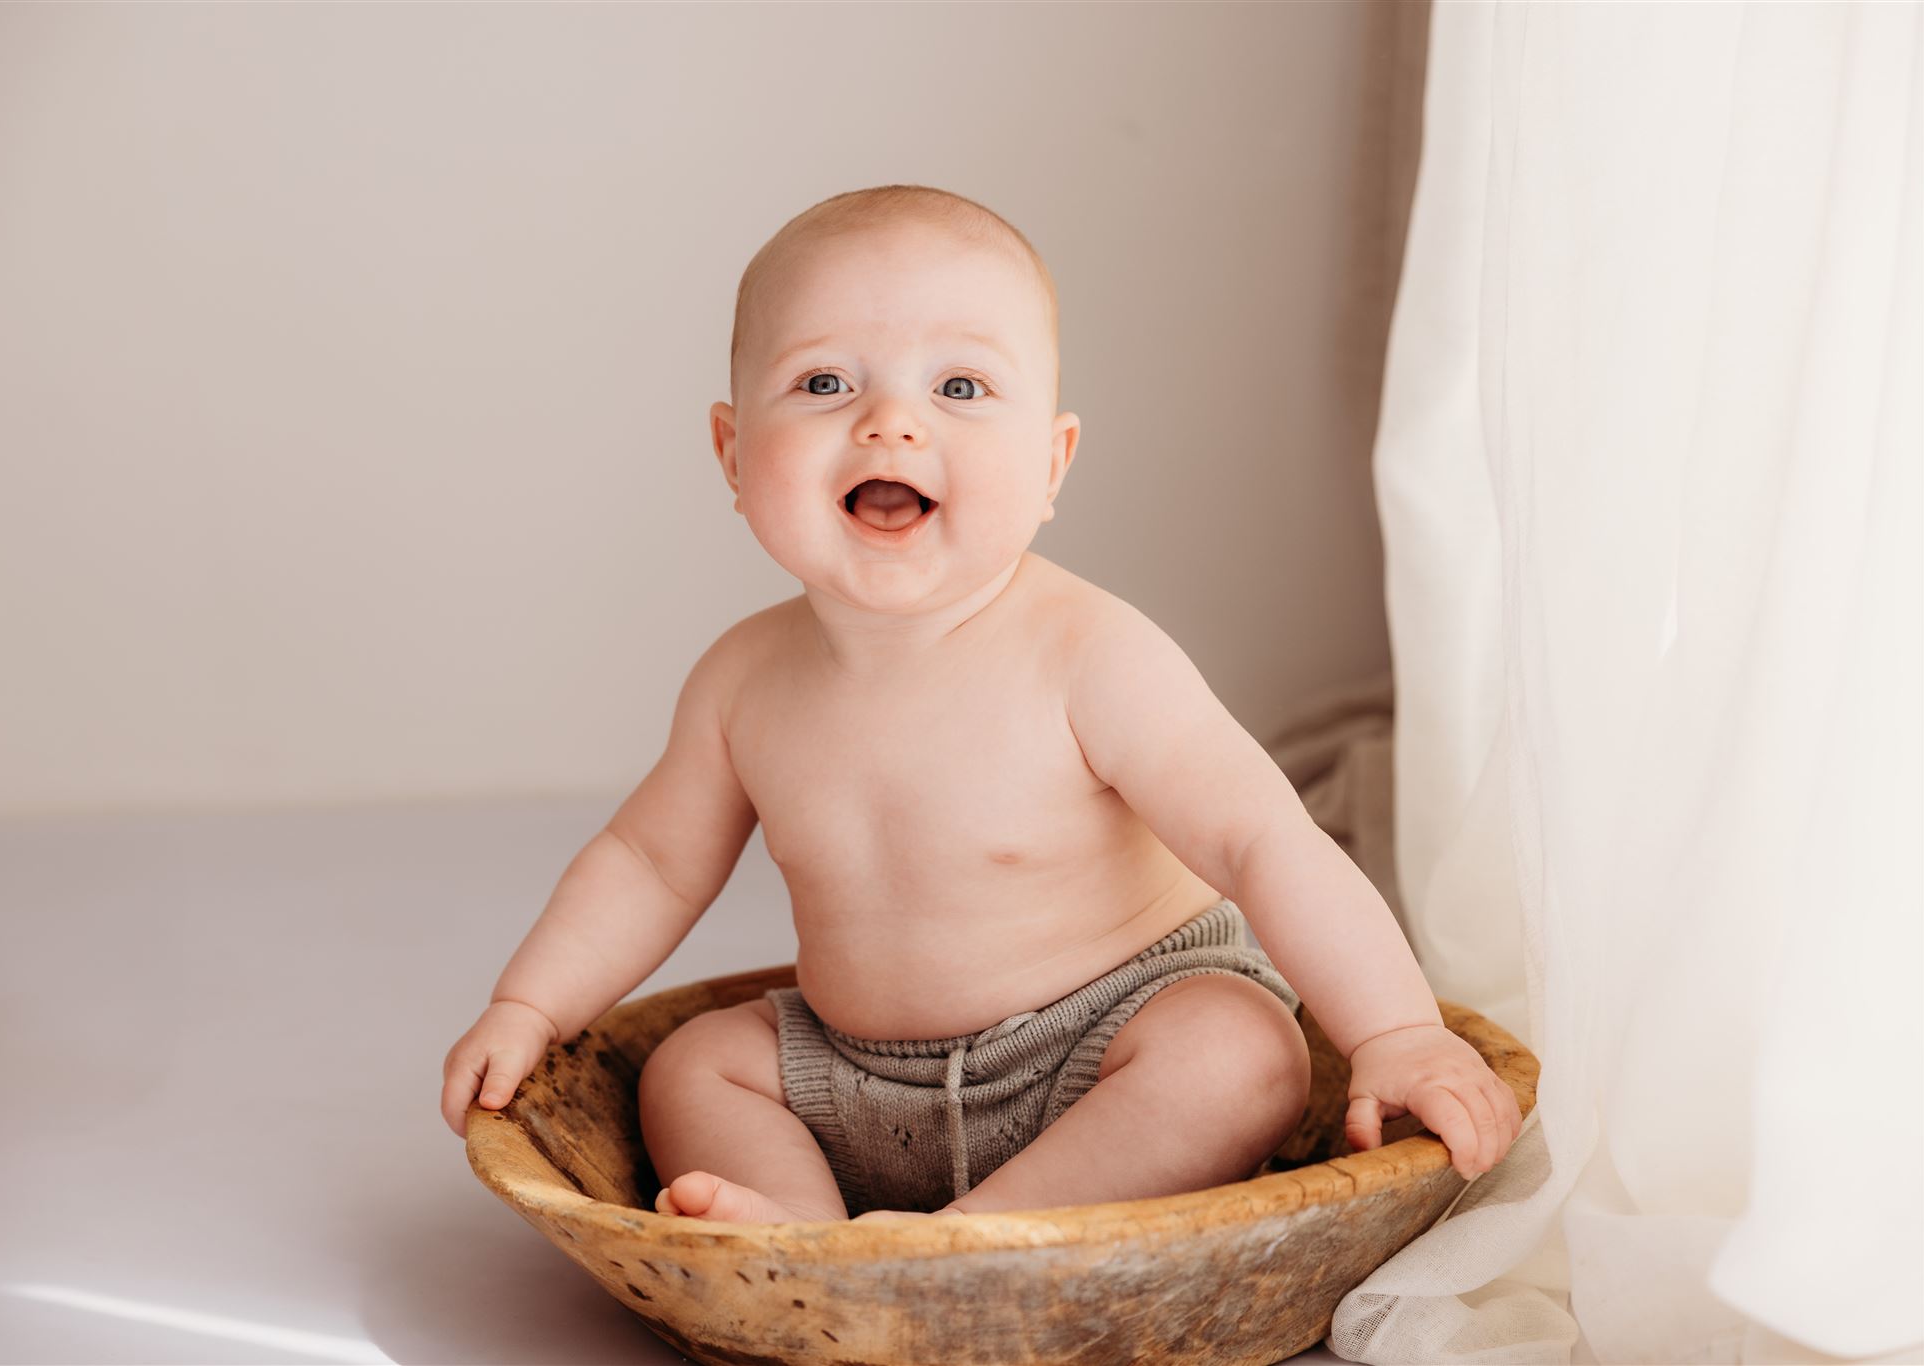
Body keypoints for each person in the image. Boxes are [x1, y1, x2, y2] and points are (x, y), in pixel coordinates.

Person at [440, 184, 1521, 1224]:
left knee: (1240, 1052)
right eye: (823, 384)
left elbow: (1259, 839)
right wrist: (530, 1004)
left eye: (957, 389)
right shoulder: (740, 680)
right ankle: (802, 1237)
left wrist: (1393, 1030)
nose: (888, 424)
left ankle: (986, 1230)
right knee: (691, 1067)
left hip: (1103, 1046)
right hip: (854, 1078)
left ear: (1049, 466)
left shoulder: (1089, 654)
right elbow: (649, 862)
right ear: (732, 452)